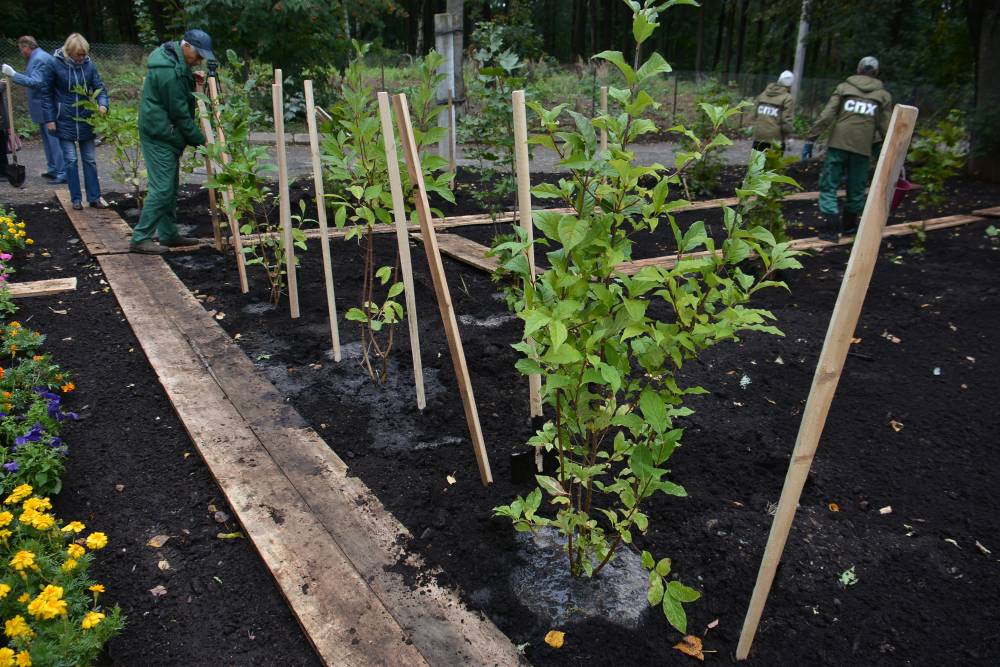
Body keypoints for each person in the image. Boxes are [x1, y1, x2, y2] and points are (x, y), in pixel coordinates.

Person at [130, 29, 211, 254]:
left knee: (169, 187)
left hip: (166, 132)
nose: (200, 60)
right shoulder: (168, 72)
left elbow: (177, 91)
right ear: (186, 47)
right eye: (198, 55)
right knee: (162, 188)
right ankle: (140, 238)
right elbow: (180, 113)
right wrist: (200, 141)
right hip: (160, 134)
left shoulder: (173, 61)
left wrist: (190, 80)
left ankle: (167, 234)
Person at [802, 56, 892, 240]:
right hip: (863, 148)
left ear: (858, 70)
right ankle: (849, 228)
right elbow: (887, 127)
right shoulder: (882, 96)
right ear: (876, 73)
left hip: (838, 145)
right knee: (856, 188)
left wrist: (811, 138)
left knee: (829, 184)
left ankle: (830, 229)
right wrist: (892, 152)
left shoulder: (844, 88)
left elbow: (827, 115)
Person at [44, 33, 109, 210]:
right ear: (69, 52)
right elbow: (47, 93)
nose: (81, 58)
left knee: (89, 160)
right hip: (64, 118)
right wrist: (50, 118)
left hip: (85, 118)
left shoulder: (89, 65)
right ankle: (76, 199)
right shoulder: (54, 64)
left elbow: (100, 89)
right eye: (78, 55)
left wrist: (102, 104)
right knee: (71, 160)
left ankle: (94, 198)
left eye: (84, 54)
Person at [3, 36, 65, 183]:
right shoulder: (37, 57)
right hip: (42, 107)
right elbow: (34, 78)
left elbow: (37, 82)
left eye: (21, 50)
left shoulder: (39, 59)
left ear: (26, 47)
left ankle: (62, 172)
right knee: (48, 140)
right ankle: (54, 169)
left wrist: (14, 75)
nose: (21, 53)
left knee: (53, 140)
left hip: (46, 106)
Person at [751, 70, 794, 154]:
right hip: (775, 139)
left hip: (759, 136)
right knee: (773, 165)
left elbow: (754, 113)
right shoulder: (787, 98)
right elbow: (786, 120)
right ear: (790, 85)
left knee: (756, 164)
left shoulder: (763, 94)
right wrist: (789, 137)